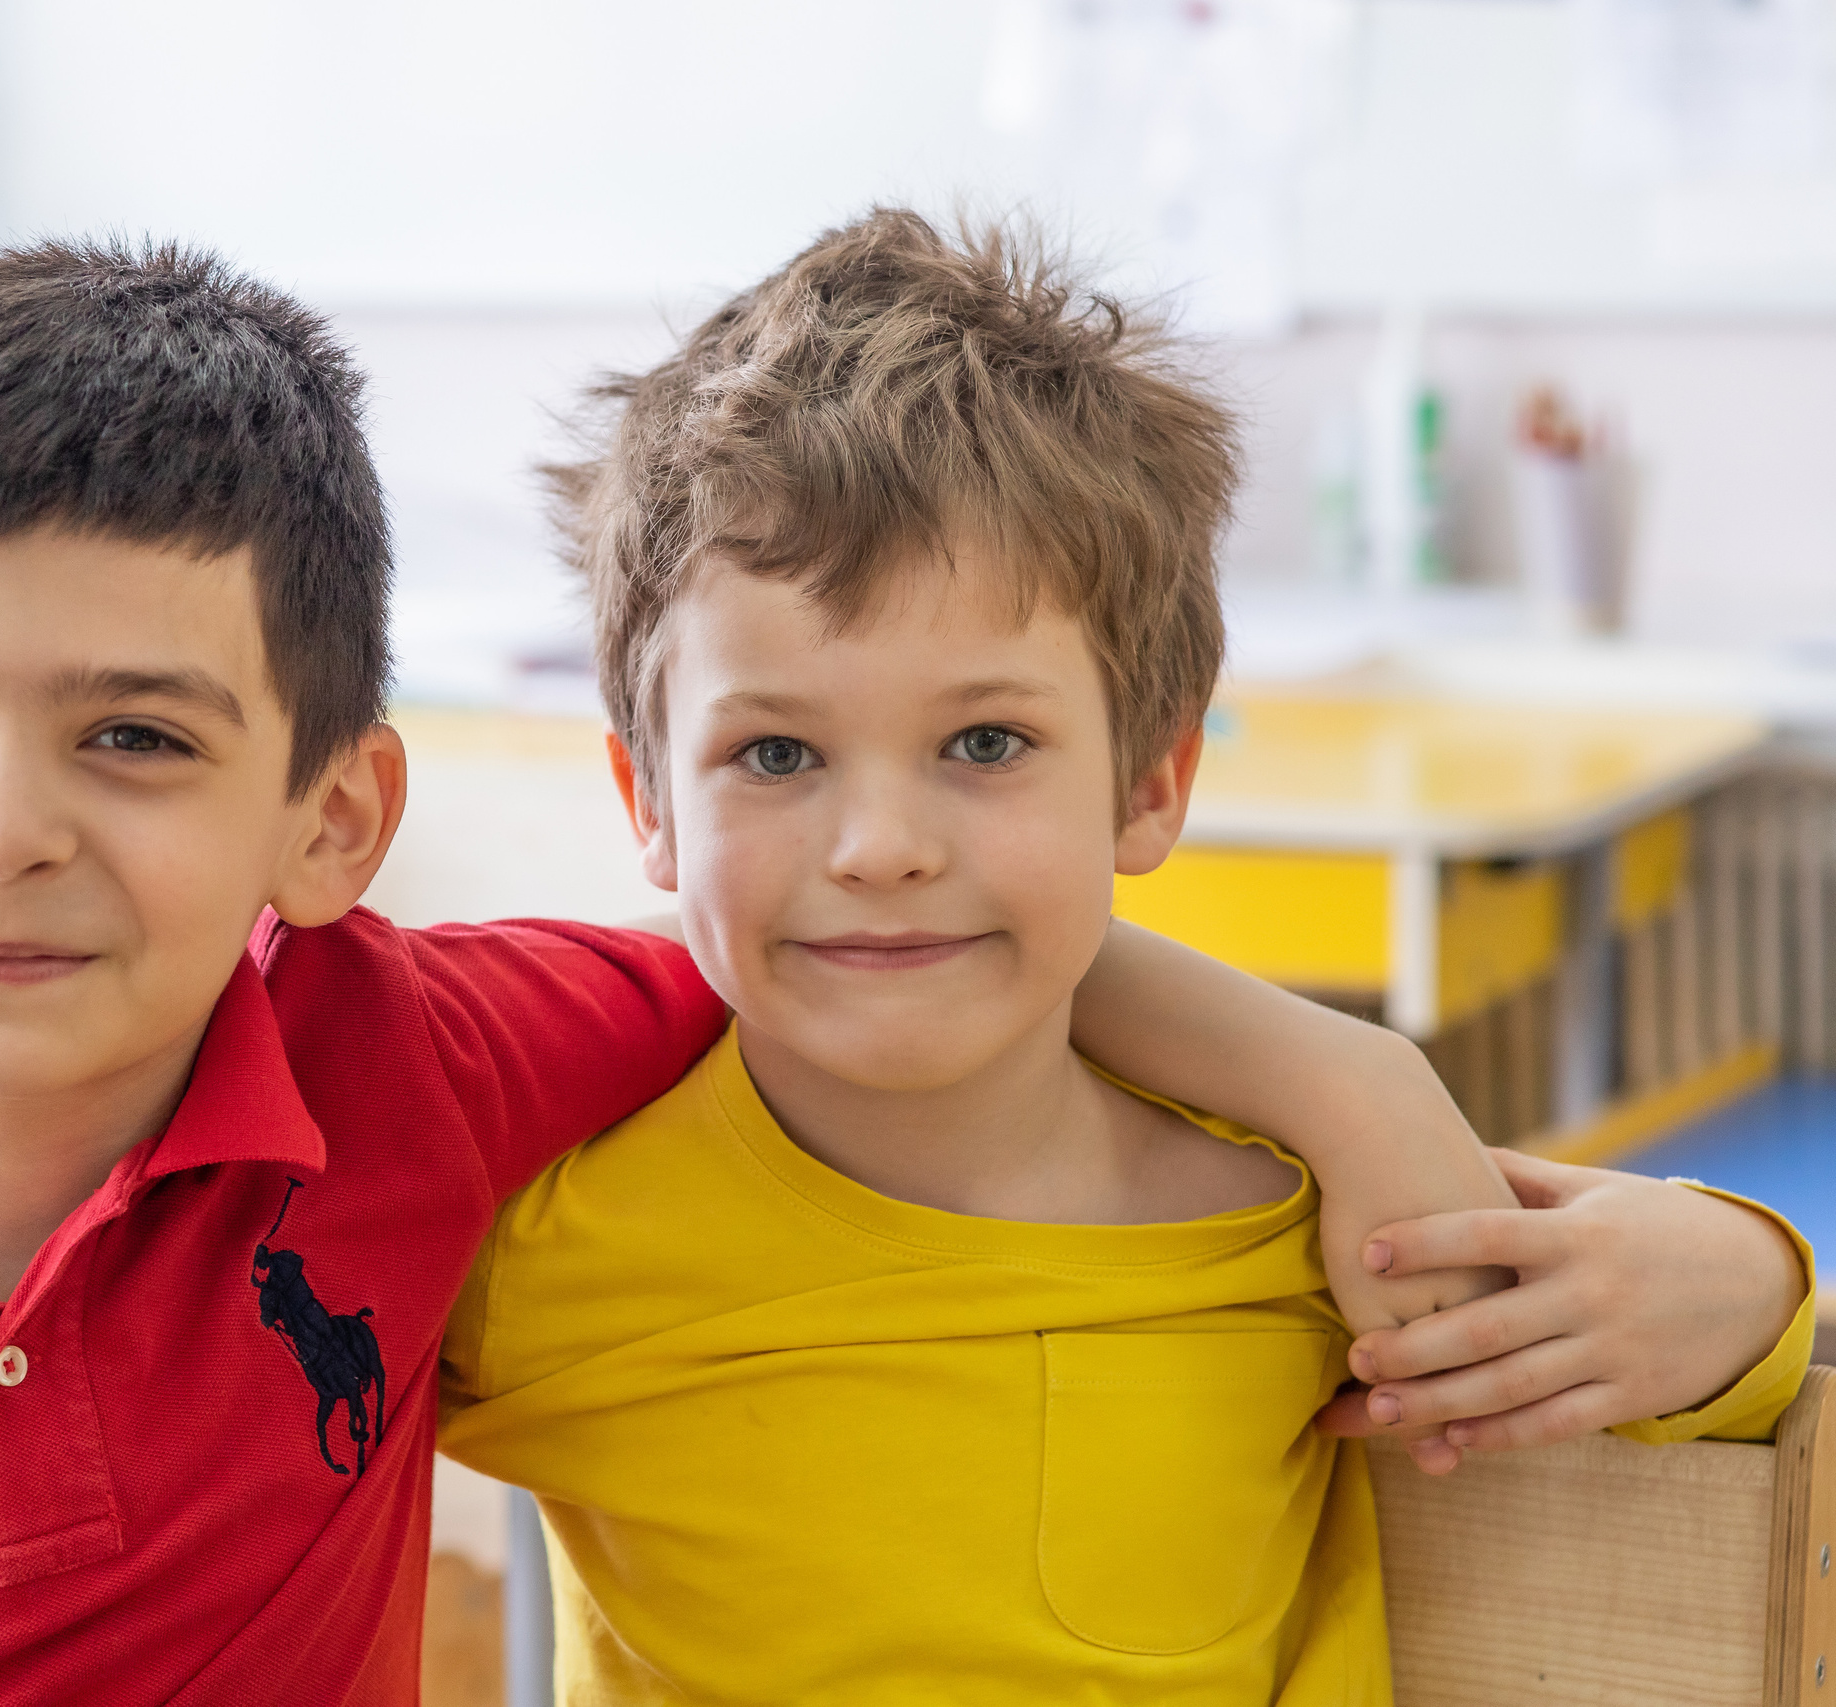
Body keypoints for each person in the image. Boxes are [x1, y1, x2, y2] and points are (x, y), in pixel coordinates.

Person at [0, 236, 1769, 1705]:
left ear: (334, 821)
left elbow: (927, 982)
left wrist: (1631, 1216)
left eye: (133, 734)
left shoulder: (418, 1098)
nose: (5, 825)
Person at [426, 208, 1815, 1702]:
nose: (879, 844)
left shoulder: (1323, 1234)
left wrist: (1756, 1282)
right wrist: (1340, 1066)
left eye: (984, 742)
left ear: (1151, 780)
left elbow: (1717, 1398)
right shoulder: (530, 1238)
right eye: (774, 752)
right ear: (650, 807)